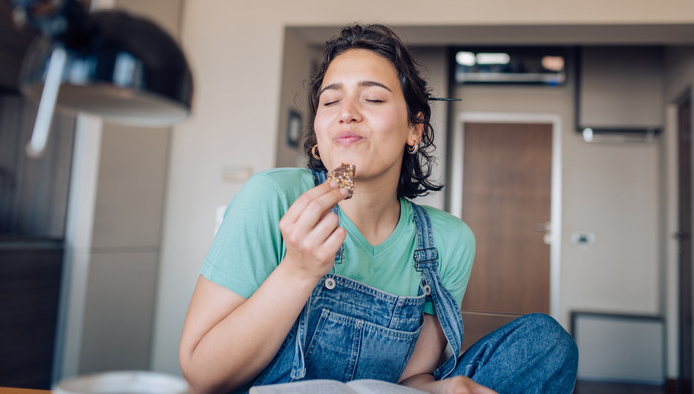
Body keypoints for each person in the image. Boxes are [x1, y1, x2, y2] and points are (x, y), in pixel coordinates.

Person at [179, 23, 578, 394]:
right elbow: (201, 374)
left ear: (413, 129)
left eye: (372, 98)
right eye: (330, 100)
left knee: (545, 343)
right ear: (318, 134)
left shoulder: (448, 241)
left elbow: (408, 381)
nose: (346, 113)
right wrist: (296, 272)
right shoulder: (272, 197)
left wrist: (442, 388)